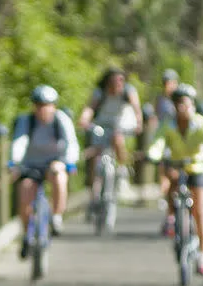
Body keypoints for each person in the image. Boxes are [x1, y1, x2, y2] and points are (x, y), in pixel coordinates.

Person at [147, 84, 203, 275]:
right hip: (176, 166)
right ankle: (172, 217)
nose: (183, 107)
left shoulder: (201, 123)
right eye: (179, 103)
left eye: (186, 103)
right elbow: (157, 142)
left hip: (197, 168)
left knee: (199, 210)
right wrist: (153, 155)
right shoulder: (168, 124)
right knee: (170, 183)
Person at [10, 85, 79, 257]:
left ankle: (56, 217)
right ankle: (27, 234)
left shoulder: (61, 120)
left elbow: (70, 142)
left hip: (54, 163)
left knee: (59, 176)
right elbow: (20, 141)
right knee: (25, 190)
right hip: (32, 164)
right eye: (39, 105)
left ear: (53, 106)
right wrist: (15, 162)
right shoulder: (27, 121)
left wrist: (69, 162)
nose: (43, 109)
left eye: (47, 105)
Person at [78, 67, 144, 213]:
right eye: (114, 81)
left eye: (121, 81)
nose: (118, 84)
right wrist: (84, 119)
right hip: (103, 124)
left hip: (123, 123)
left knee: (117, 137)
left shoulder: (128, 91)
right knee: (96, 156)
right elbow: (90, 108)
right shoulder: (100, 92)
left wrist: (139, 122)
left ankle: (122, 168)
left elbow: (136, 108)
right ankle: (95, 195)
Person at [155, 69, 179, 235]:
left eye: (170, 82)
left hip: (180, 143)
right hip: (165, 140)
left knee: (176, 177)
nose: (167, 85)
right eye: (165, 82)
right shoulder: (160, 100)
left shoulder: (182, 99)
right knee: (166, 174)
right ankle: (170, 216)